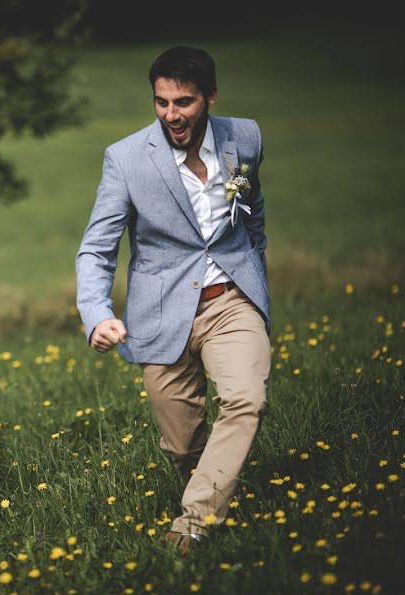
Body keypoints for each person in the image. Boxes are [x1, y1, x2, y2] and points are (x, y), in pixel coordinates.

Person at [75, 46, 270, 555]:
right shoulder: (126, 158)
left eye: (183, 101)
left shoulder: (243, 138)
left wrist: (256, 280)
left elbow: (252, 213)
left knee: (246, 398)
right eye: (161, 102)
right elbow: (97, 248)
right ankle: (215, 481)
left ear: (210, 96)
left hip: (232, 299)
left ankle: (195, 520)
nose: (171, 114)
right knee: (183, 445)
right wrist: (97, 314)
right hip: (160, 312)